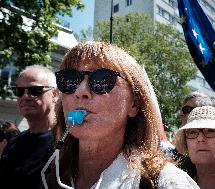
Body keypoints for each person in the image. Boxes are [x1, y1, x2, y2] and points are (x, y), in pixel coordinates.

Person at [44, 41, 199, 189]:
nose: (80, 91)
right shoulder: (48, 176)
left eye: (102, 79)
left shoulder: (167, 182)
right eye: (70, 80)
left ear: (134, 104)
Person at [0, 65, 59, 189]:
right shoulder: (13, 144)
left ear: (55, 94)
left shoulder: (70, 143)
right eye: (19, 91)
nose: (25, 97)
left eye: (35, 90)